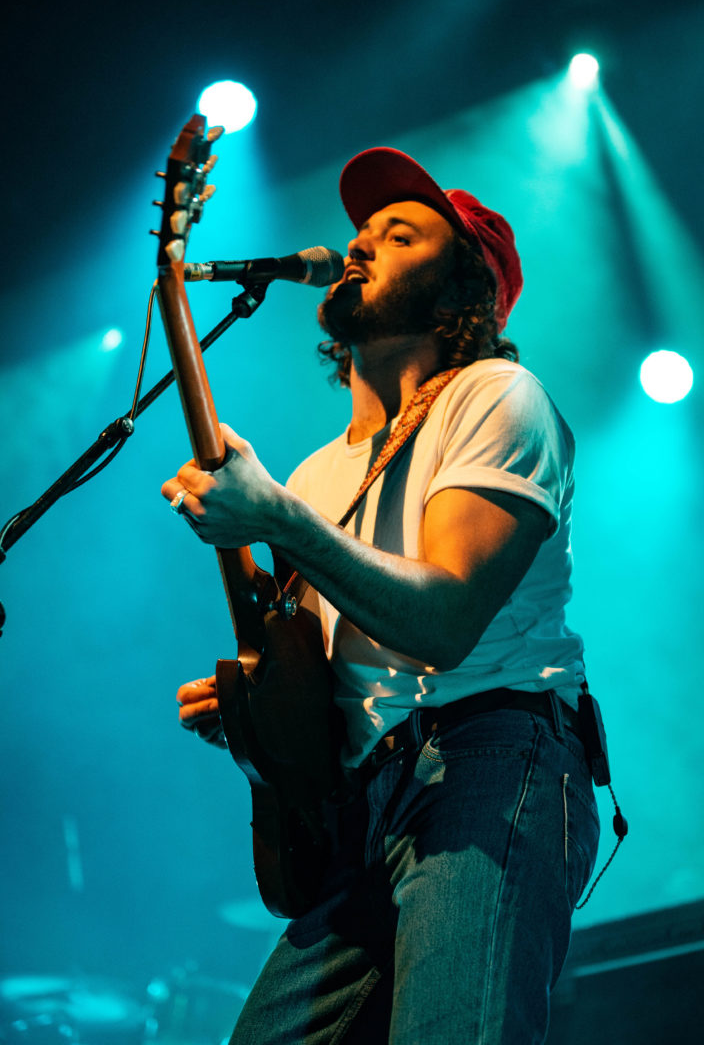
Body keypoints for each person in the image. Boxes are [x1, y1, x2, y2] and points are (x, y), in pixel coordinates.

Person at [161, 147, 601, 1044]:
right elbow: (339, 670)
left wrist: (276, 518)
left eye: (400, 236)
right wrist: (255, 704)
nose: (359, 245)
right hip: (365, 798)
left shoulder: (497, 396)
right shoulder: (315, 475)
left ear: (462, 291)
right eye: (362, 231)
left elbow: (442, 620)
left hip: (492, 755)